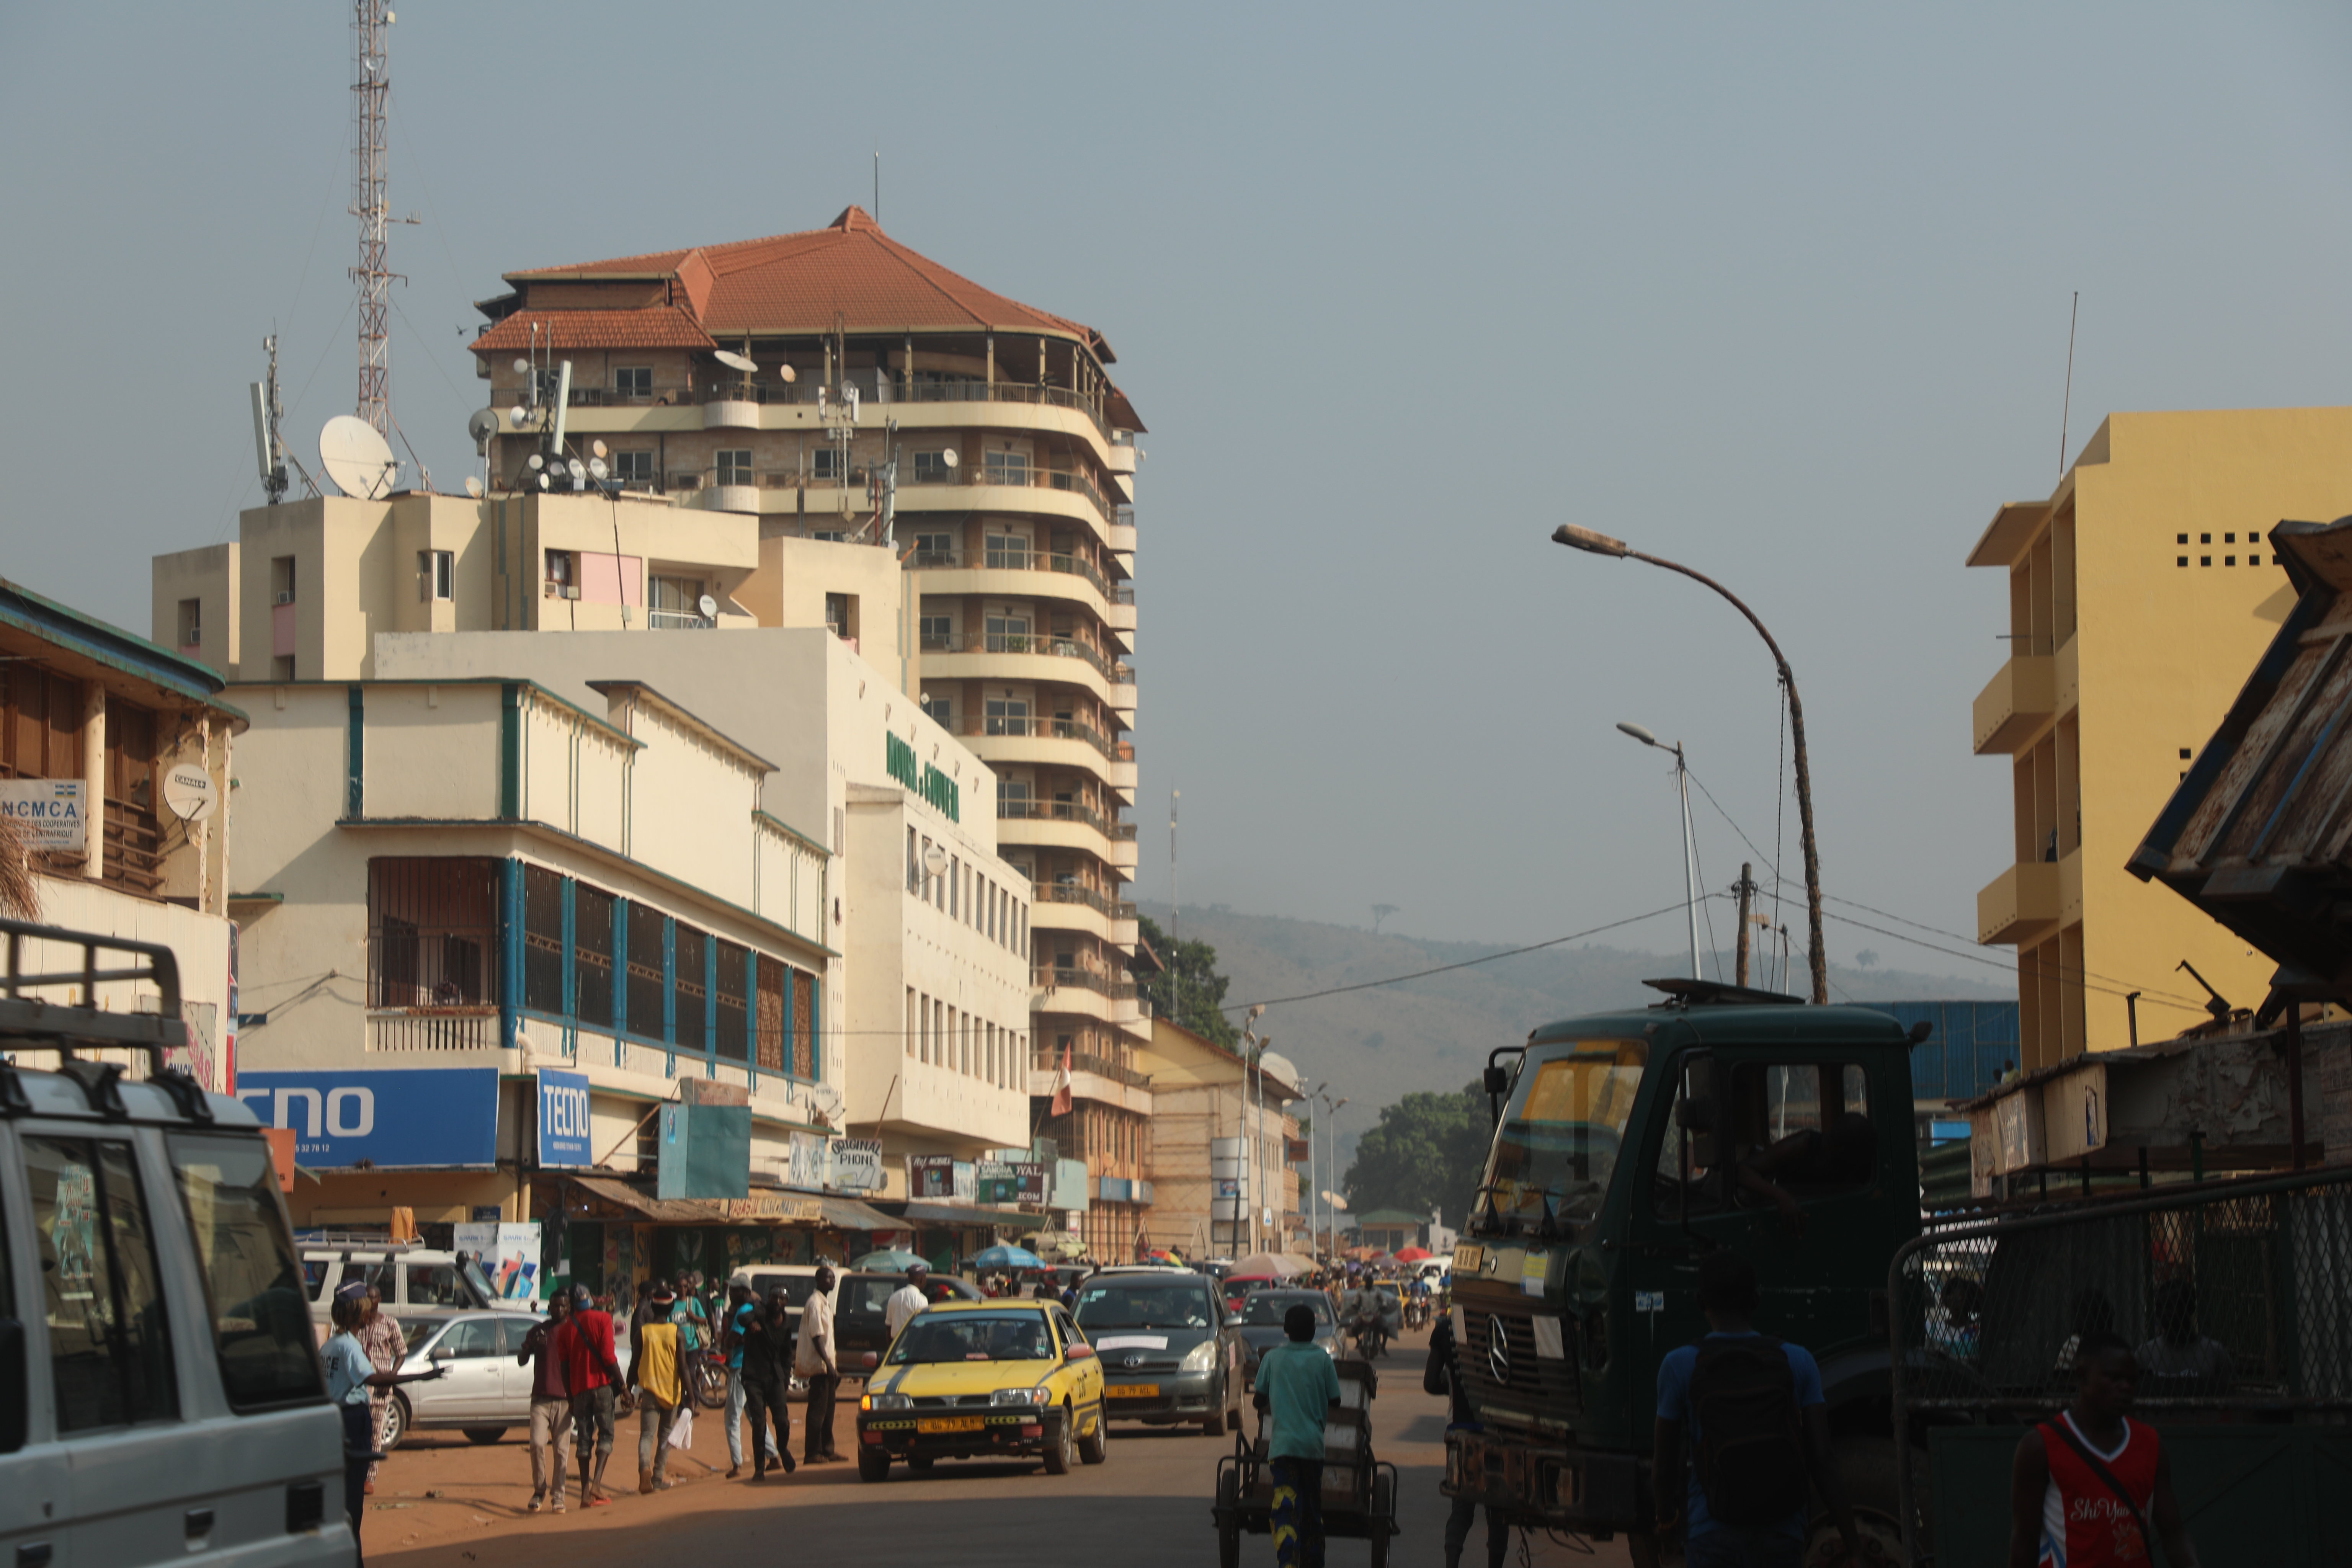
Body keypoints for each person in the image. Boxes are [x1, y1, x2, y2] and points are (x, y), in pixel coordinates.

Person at [1653, 1251, 1861, 1568]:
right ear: (1757, 1299)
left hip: (1711, 1532)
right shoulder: (1798, 1360)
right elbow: (1822, 1460)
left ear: (1700, 1302)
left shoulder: (1679, 1365)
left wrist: (1667, 1522)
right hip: (1782, 1532)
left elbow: (1665, 1463)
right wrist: (1854, 1546)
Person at [2008, 1330, 2201, 1568]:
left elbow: (2174, 1536)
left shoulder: (2150, 1445)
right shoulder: (2040, 1446)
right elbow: (2024, 1543)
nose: (2125, 1387)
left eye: (2132, 1381)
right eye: (2114, 1378)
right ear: (2082, 1376)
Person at [323, 1282, 444, 1565]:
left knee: (342, 1498)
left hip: (337, 1421)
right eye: (366, 1310)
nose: (371, 1314)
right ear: (356, 1314)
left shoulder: (331, 1344)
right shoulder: (350, 1347)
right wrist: (419, 1378)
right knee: (352, 1503)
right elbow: (374, 1378)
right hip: (353, 1421)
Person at [1254, 1302, 1343, 1568]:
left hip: (1283, 1449)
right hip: (1313, 1449)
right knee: (1312, 1511)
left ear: (1285, 1331)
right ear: (1314, 1331)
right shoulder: (1322, 1359)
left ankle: (1289, 1560)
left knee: (1285, 1506)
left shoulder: (1273, 1359)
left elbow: (1259, 1400)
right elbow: (1335, 1400)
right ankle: (1314, 1561)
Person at [1426, 1309, 1509, 1568]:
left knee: (1461, 1508)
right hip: (1499, 1432)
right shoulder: (1504, 1326)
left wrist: (1452, 1388)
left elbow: (1430, 1383)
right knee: (1498, 1509)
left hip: (1461, 1430)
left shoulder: (1445, 1330)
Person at [555, 1282, 624, 1508]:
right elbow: (608, 1356)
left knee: (584, 1439)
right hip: (602, 1387)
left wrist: (570, 1397)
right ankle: (597, 1485)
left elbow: (564, 1367)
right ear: (590, 1300)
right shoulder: (603, 1319)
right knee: (606, 1435)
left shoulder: (565, 1329)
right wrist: (623, 1386)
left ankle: (585, 1493)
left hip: (579, 1390)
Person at [516, 1290, 573, 1514]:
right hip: (540, 1398)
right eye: (554, 1306)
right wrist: (530, 1347)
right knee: (537, 1445)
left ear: (569, 1308)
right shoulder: (538, 1331)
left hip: (565, 1400)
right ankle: (539, 1490)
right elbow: (522, 1360)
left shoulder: (572, 1332)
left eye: (562, 1306)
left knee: (561, 1450)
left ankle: (558, 1497)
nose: (558, 1309)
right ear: (549, 1308)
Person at [630, 1285, 686, 1494]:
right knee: (665, 1437)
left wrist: (628, 1389)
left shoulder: (643, 1333)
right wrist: (690, 1396)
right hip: (672, 1393)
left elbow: (634, 1365)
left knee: (646, 1436)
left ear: (652, 1307)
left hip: (650, 1392)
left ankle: (644, 1467)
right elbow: (683, 1368)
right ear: (672, 1309)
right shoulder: (677, 1333)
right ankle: (657, 1478)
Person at [740, 1286, 800, 1480]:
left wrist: (785, 1376)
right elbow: (742, 1318)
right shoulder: (760, 1311)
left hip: (775, 1377)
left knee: (782, 1421)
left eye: (782, 1299)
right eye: (775, 1298)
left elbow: (786, 1352)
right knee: (759, 1422)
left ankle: (783, 1449)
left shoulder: (787, 1321)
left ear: (787, 1302)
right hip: (754, 1376)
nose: (778, 1302)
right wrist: (752, 1324)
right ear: (769, 1299)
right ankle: (759, 1468)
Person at [2136, 1281, 2232, 1398]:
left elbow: (2229, 1393)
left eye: (2171, 1306)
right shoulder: (2146, 1353)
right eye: (2160, 1307)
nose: (2164, 1313)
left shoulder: (2214, 1352)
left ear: (2190, 1308)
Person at [355, 1281, 406, 1493]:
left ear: (380, 1300)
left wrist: (391, 1377)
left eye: (373, 1297)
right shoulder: (357, 1323)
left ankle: (370, 1479)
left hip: (380, 1390)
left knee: (375, 1435)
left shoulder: (389, 1324)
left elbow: (401, 1352)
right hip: (359, 1388)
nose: (370, 1301)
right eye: (367, 1297)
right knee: (358, 1435)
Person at [796, 1263, 844, 1463]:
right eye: (829, 1278)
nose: (832, 1281)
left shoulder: (825, 1302)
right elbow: (817, 1336)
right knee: (818, 1409)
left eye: (833, 1278)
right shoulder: (815, 1303)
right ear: (819, 1280)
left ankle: (827, 1449)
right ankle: (812, 1452)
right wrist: (828, 1364)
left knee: (829, 1408)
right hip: (820, 1366)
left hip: (828, 1365)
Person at [885, 1260, 932, 1341]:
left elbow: (889, 1326)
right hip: (912, 1343)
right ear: (922, 1279)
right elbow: (923, 1327)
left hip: (896, 1344)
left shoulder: (894, 1296)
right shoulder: (921, 1299)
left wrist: (892, 1348)